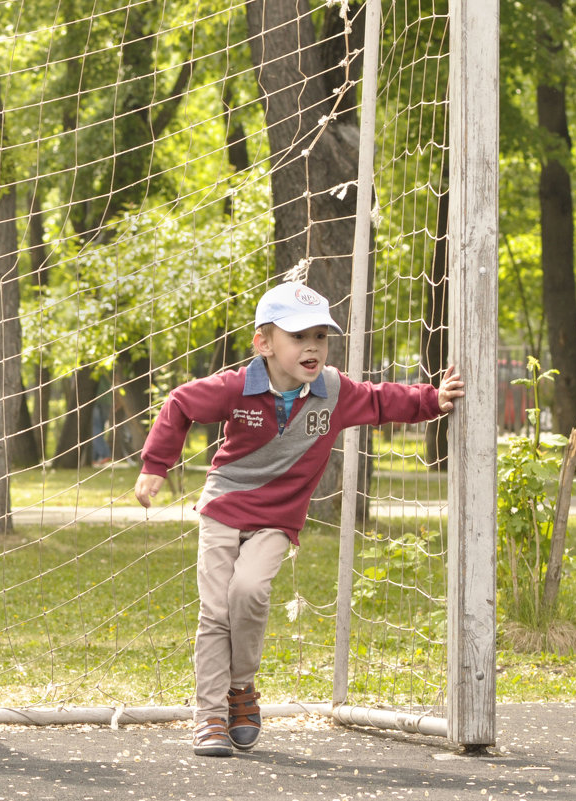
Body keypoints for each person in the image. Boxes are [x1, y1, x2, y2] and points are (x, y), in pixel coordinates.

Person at [133, 281, 464, 757]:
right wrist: (154, 466)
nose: (312, 347)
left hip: (277, 519)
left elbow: (381, 399)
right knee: (216, 610)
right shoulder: (236, 386)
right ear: (264, 343)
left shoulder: (333, 391)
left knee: (248, 592)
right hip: (223, 507)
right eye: (297, 336)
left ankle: (241, 688)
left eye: (320, 337)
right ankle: (208, 716)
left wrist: (434, 399)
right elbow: (181, 404)